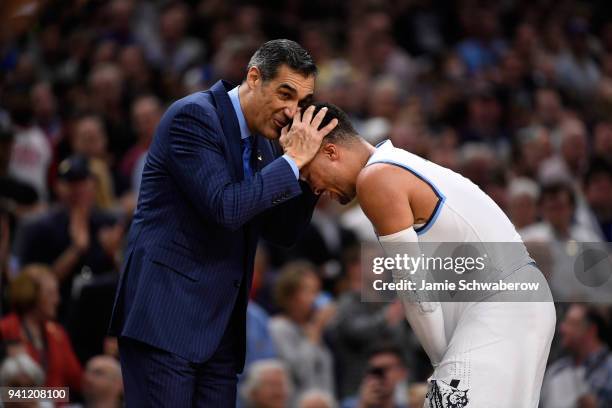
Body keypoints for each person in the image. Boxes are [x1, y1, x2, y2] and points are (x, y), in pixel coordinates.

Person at [109, 39, 338, 406]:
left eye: (301, 103)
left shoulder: (268, 145)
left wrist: (311, 176)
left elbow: (283, 232)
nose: (291, 111)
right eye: (284, 93)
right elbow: (226, 207)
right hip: (166, 322)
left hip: (220, 336)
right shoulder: (194, 117)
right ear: (253, 77)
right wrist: (293, 160)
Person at [299, 102, 556, 407]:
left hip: (501, 305)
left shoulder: (376, 178)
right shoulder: (396, 162)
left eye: (308, 174)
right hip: (516, 301)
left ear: (330, 151)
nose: (313, 188)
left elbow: (416, 292)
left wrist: (442, 365)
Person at [0, 264, 82, 392]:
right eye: (51, 293)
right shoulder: (5, 330)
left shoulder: (57, 334)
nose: (57, 300)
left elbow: (77, 380)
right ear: (30, 294)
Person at [540, 304, 612, 408]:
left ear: (591, 330)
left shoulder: (609, 369)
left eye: (571, 323)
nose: (562, 328)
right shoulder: (556, 370)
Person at [341, 343, 409, 408]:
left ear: (402, 373)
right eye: (375, 371)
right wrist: (363, 405)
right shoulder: (347, 405)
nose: (381, 375)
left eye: (386, 368)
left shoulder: (411, 405)